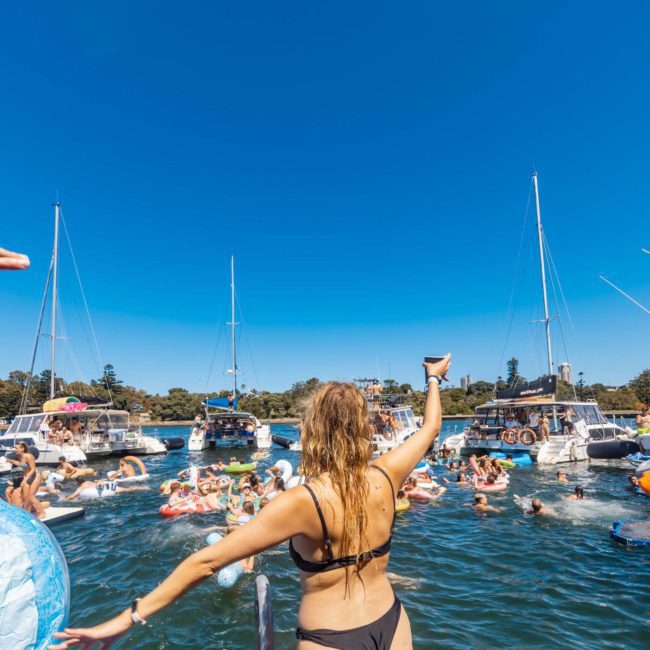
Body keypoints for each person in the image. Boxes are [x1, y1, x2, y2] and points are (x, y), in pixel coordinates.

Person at [50, 354, 451, 650]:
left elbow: (206, 562)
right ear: (362, 429)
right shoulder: (387, 475)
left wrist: (126, 619)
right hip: (393, 621)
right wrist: (433, 379)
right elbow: (431, 427)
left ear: (314, 431)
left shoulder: (303, 501)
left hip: (332, 637)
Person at [6, 442, 47, 518]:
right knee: (26, 498)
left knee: (31, 497)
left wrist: (25, 480)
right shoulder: (20, 457)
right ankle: (28, 514)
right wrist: (10, 460)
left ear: (22, 448)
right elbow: (20, 464)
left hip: (35, 477)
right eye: (15, 448)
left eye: (17, 448)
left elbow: (33, 468)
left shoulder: (29, 456)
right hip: (27, 477)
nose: (15, 450)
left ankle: (42, 513)